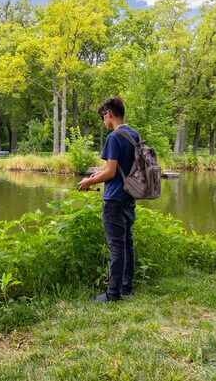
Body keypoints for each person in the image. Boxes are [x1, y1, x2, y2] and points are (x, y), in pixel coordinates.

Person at [77, 96, 138, 303]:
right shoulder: (133, 134)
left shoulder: (114, 137)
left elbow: (111, 172)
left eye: (103, 117)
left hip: (114, 201)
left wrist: (88, 182)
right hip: (130, 198)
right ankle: (127, 287)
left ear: (109, 114)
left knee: (116, 247)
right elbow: (120, 168)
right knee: (127, 244)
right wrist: (96, 176)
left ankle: (113, 294)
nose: (104, 121)